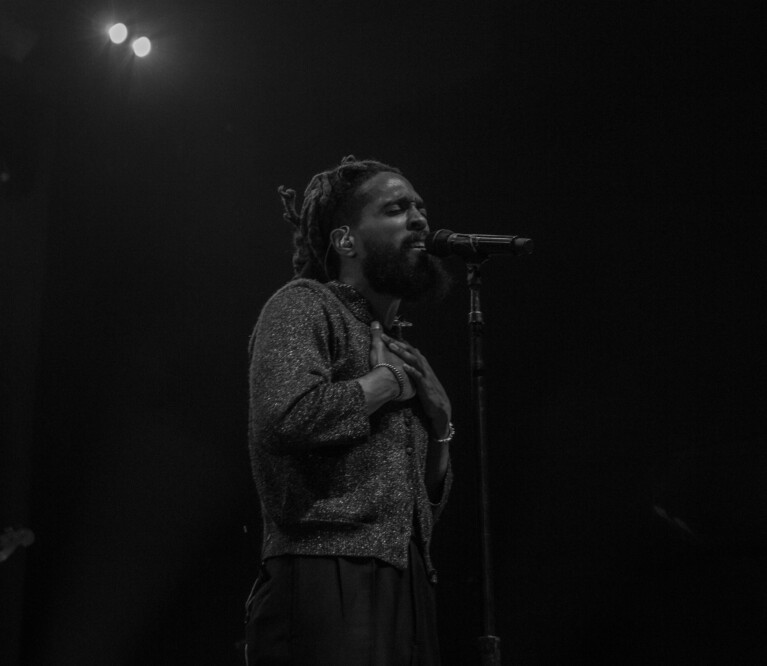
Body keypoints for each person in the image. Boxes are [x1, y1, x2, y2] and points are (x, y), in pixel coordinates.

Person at [245, 156, 455, 666]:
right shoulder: (304, 304)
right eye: (398, 208)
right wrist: (384, 383)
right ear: (346, 242)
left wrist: (442, 425)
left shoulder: (402, 349)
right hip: (324, 574)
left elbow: (417, 506)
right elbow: (285, 417)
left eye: (421, 207)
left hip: (406, 579)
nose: (420, 218)